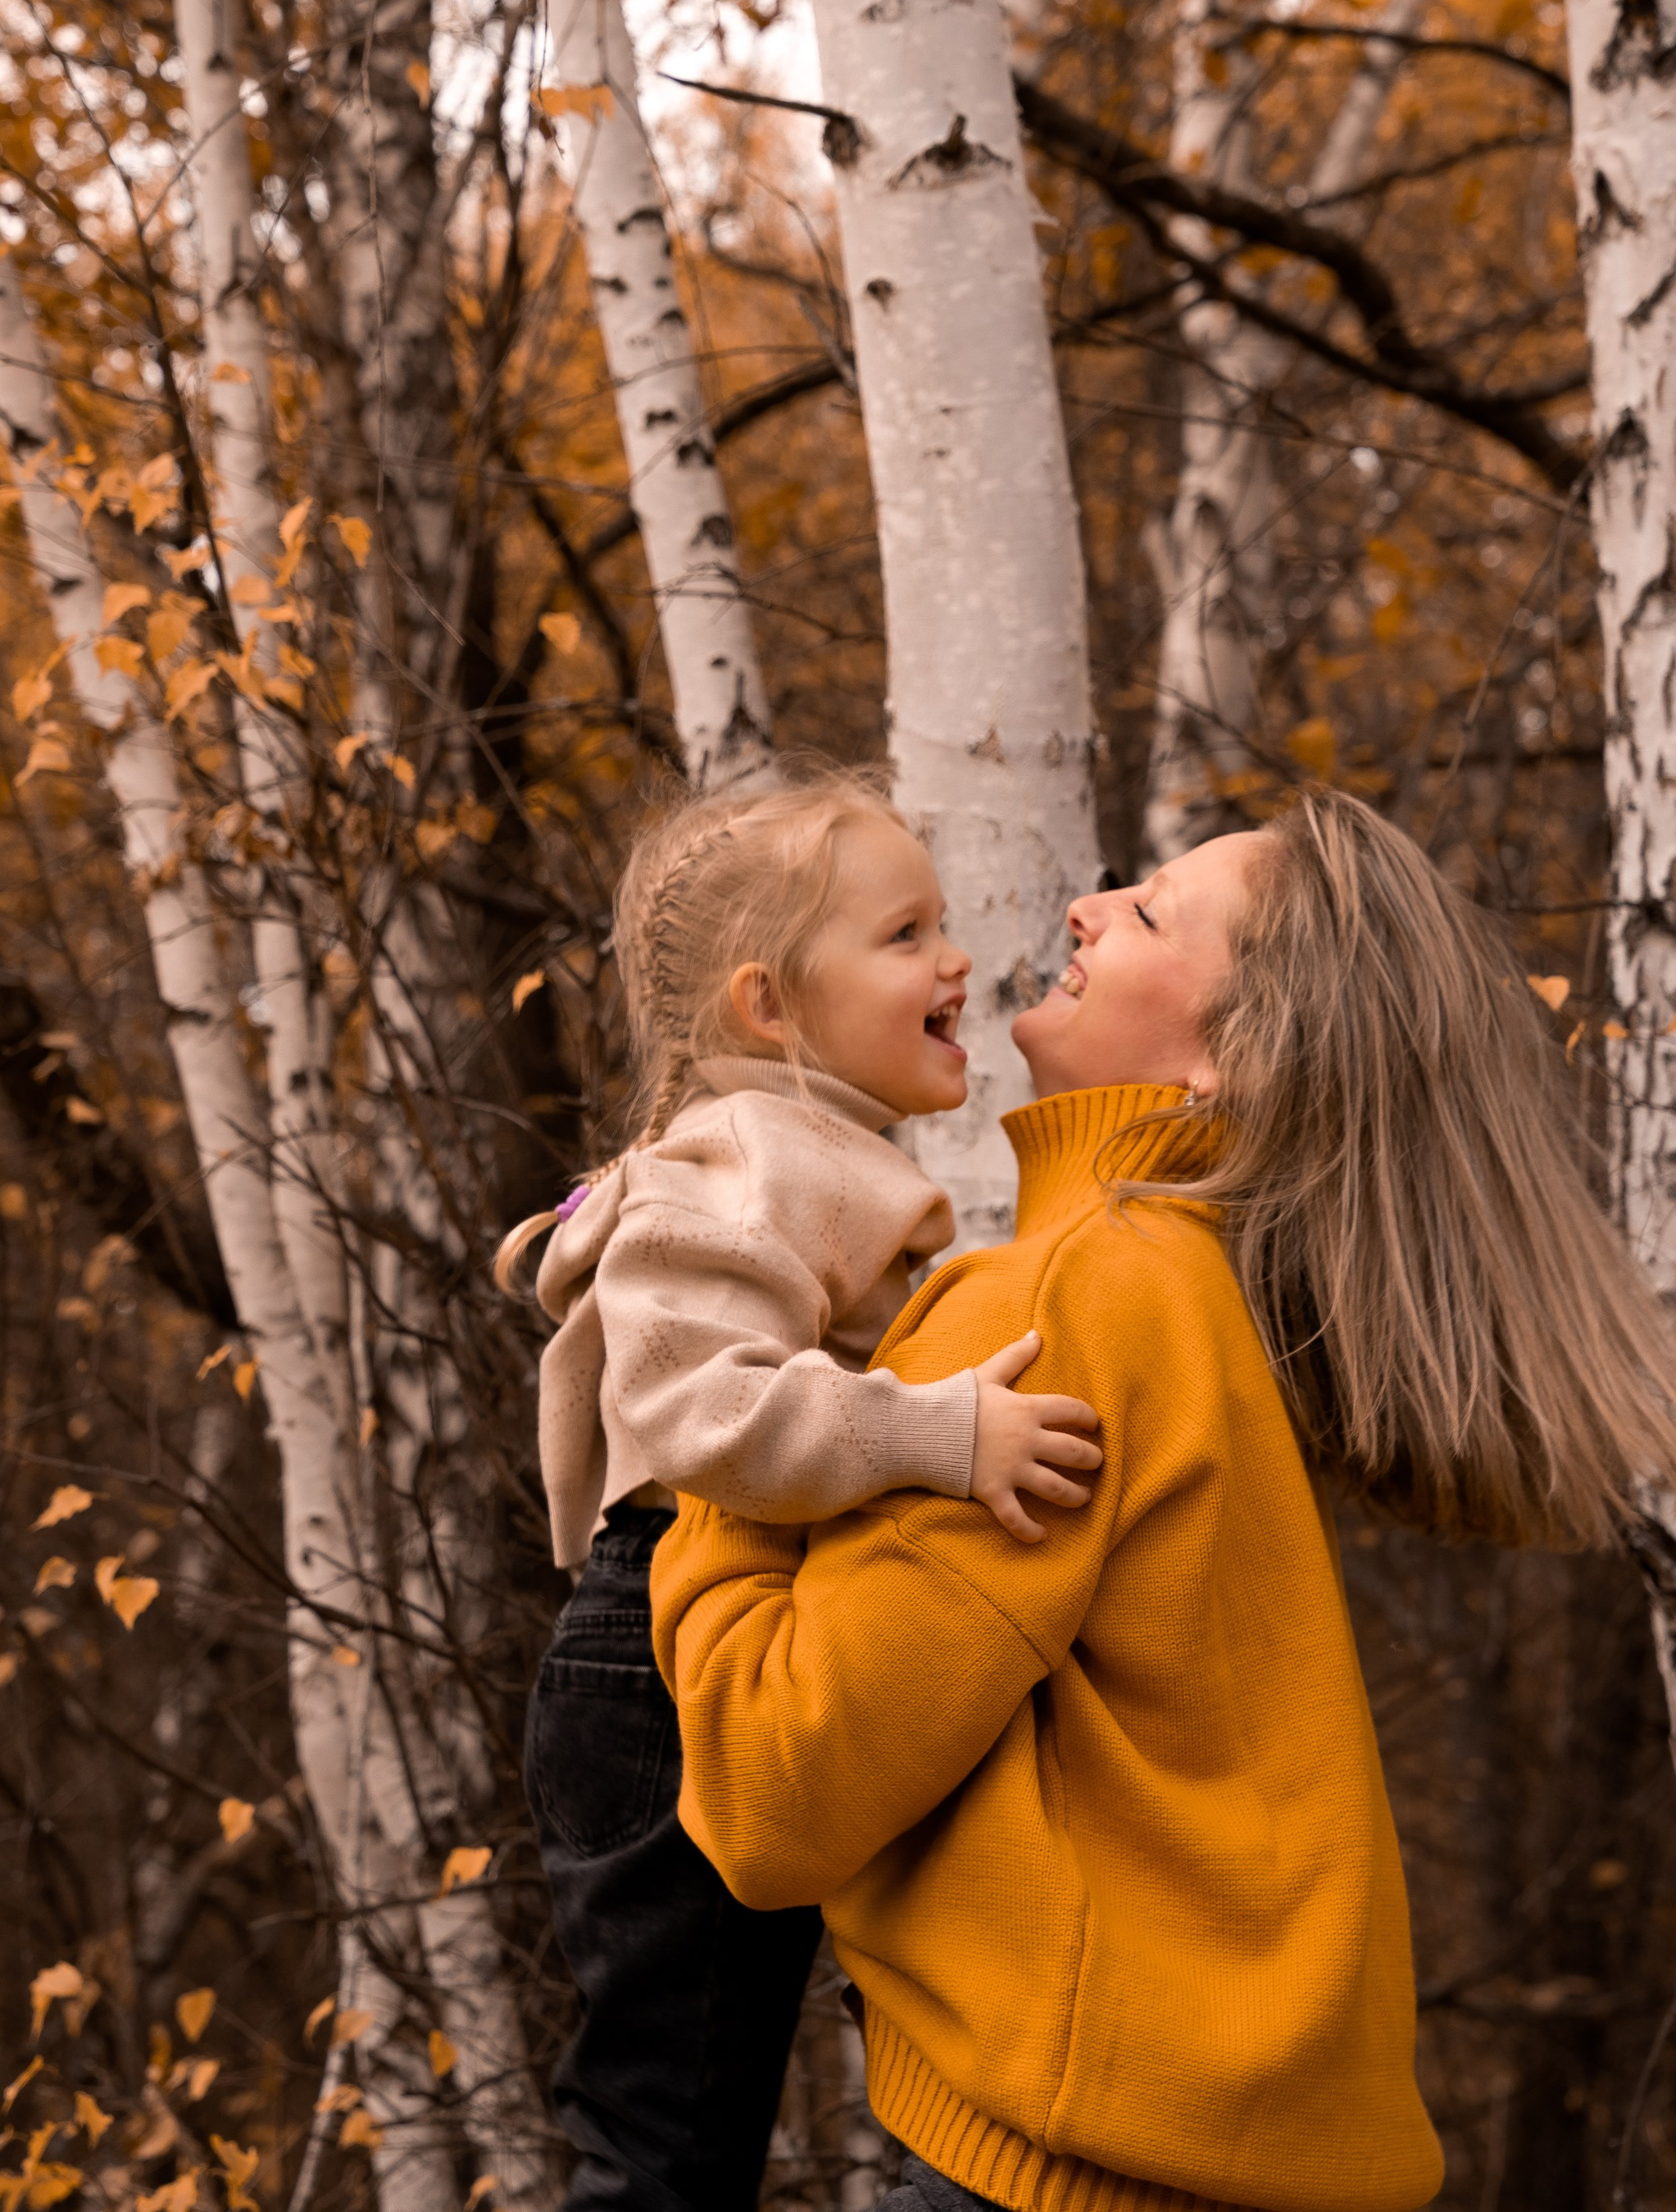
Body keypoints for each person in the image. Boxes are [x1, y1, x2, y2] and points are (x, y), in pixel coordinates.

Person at [651, 788, 1676, 2212]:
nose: (1085, 907)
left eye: (1146, 913)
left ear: (1231, 1058)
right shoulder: (1197, 1287)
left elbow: (774, 1793)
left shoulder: (1067, 1302)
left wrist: (721, 1462)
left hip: (1073, 2171)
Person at [500, 761, 1105, 2212]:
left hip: (747, 1645)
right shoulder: (734, 1159)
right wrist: (941, 1436)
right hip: (661, 1665)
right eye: (904, 936)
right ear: (769, 1007)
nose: (955, 959)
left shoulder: (788, 1155)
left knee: (720, 2108)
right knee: (665, 2140)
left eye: (941, 923)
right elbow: (700, 1411)